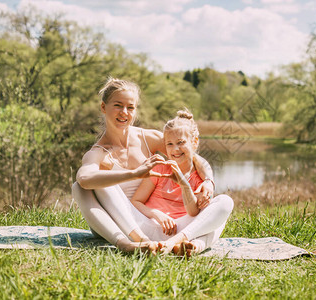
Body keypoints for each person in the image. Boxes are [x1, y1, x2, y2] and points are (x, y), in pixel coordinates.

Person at [72, 77, 219, 254]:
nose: (124, 112)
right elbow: (84, 178)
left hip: (147, 220)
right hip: (113, 225)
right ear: (104, 107)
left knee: (218, 207)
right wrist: (135, 174)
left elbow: (190, 156)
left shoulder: (148, 138)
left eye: (130, 107)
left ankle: (182, 245)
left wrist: (209, 181)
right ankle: (128, 245)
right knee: (79, 188)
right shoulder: (99, 152)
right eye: (118, 105)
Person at [131, 109, 234, 256]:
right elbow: (136, 201)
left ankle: (179, 245)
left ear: (194, 142)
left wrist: (185, 184)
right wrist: (157, 214)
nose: (175, 149)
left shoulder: (200, 176)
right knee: (216, 224)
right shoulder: (160, 168)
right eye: (170, 144)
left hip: (182, 229)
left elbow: (193, 212)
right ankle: (194, 246)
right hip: (151, 226)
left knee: (225, 203)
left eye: (181, 143)